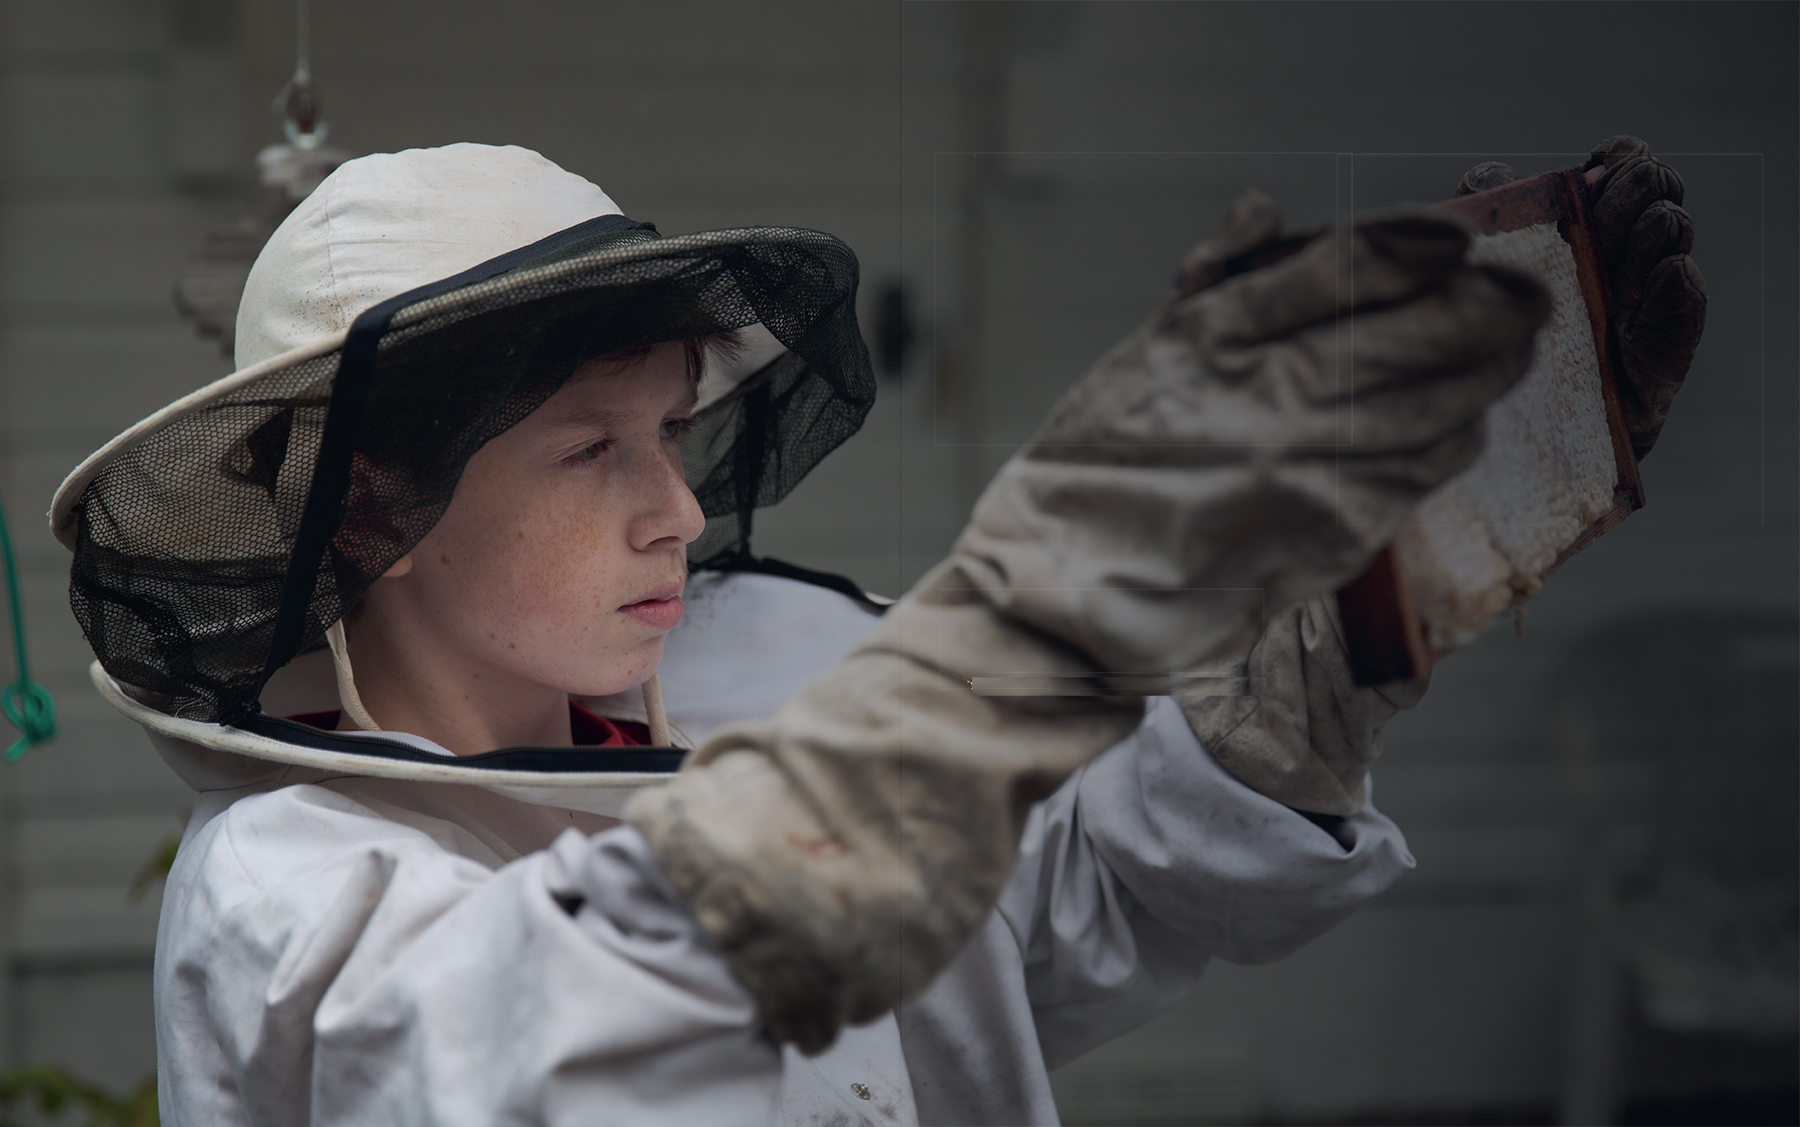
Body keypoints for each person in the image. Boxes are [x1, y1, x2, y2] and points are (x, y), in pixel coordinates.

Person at [48, 138, 1701, 1125]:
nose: (676, 510)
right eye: (587, 448)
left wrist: (1324, 641)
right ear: (370, 510)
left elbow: (1071, 898)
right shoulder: (291, 884)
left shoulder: (789, 668)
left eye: (674, 432)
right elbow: (528, 1062)